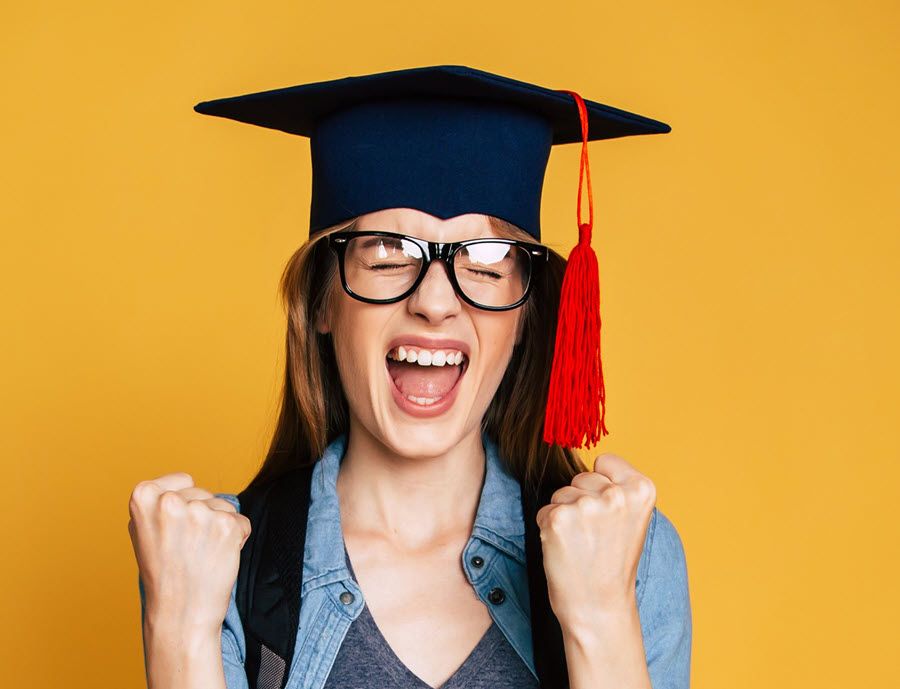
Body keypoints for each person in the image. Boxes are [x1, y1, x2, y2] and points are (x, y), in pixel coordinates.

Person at [128, 65, 692, 689]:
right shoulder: (218, 564)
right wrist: (177, 626)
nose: (435, 301)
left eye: (485, 261)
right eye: (388, 253)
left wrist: (598, 615)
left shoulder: (628, 555)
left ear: (527, 314)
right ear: (322, 301)